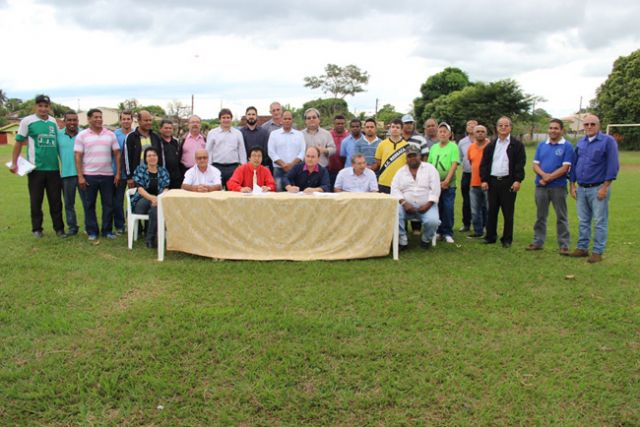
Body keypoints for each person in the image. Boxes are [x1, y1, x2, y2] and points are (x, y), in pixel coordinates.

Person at [10, 94, 65, 238]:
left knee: (56, 201)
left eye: (46, 106)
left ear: (49, 107)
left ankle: (59, 229)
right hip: (35, 169)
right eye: (40, 106)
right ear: (36, 106)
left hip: (53, 169)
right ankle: (37, 229)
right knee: (36, 201)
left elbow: (59, 145)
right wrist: (14, 162)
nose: (43, 108)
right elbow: (18, 142)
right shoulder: (27, 121)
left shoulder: (53, 122)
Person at [569, 114, 619, 263]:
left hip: (598, 188)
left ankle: (597, 252)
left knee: (599, 221)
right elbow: (574, 164)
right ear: (583, 127)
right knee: (583, 220)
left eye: (592, 124)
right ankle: (582, 248)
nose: (589, 127)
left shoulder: (608, 141)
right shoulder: (581, 143)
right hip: (581, 189)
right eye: (586, 124)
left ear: (599, 125)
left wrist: (605, 187)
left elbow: (613, 165)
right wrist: (572, 185)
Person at [527, 119, 574, 255]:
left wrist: (548, 178)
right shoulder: (542, 145)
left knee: (561, 216)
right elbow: (535, 165)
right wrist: (543, 176)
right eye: (551, 128)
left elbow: (565, 167)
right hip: (541, 187)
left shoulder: (567, 146)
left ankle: (564, 244)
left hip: (558, 187)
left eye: (556, 128)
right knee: (540, 216)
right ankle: (538, 242)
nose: (553, 130)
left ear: (561, 130)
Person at [74, 108, 121, 240]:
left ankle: (107, 231)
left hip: (107, 175)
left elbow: (117, 154)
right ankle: (92, 231)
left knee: (108, 204)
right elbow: (77, 156)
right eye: (95, 117)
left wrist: (118, 173)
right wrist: (80, 176)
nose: (99, 119)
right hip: (89, 175)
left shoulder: (110, 134)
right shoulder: (82, 135)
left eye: (100, 117)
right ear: (88, 119)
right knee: (89, 204)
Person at [479, 116, 526, 248]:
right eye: (501, 125)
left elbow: (520, 164)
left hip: (508, 182)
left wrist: (517, 180)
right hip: (493, 182)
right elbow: (485, 164)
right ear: (497, 128)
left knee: (508, 212)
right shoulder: (491, 145)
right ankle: (490, 236)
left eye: (506, 125)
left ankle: (506, 239)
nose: (503, 128)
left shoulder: (517, 145)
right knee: (492, 211)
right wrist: (484, 180)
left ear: (510, 127)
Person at [391, 144, 441, 250]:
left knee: (433, 221)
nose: (412, 158)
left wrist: (428, 205)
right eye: (410, 156)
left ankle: (426, 240)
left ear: (420, 156)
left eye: (415, 155)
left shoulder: (430, 169)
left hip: (427, 204)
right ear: (406, 158)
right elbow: (394, 189)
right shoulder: (400, 172)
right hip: (405, 206)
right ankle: (402, 240)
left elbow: (436, 189)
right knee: (395, 214)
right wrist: (404, 203)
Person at [131, 147, 170, 248]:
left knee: (155, 209)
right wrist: (152, 198)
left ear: (158, 157)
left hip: (158, 200)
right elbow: (140, 189)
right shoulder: (140, 169)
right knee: (155, 207)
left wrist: (158, 199)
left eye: (154, 155)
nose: (152, 157)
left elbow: (166, 189)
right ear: (145, 158)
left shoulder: (163, 171)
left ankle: (150, 240)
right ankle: (151, 238)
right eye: (149, 156)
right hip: (141, 200)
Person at [428, 122, 460, 243]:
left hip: (449, 185)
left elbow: (454, 165)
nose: (442, 134)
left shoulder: (453, 147)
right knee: (437, 207)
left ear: (450, 134)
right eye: (440, 131)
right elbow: (430, 165)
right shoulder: (434, 147)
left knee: (448, 208)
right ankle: (438, 231)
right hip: (435, 185)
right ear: (437, 134)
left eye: (445, 131)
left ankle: (447, 232)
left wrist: (446, 181)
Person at [57, 110, 83, 236]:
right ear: (65, 121)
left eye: (75, 120)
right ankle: (72, 227)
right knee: (69, 203)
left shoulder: (84, 134)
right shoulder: (58, 135)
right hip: (67, 175)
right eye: (69, 120)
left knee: (88, 202)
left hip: (83, 175)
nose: (72, 122)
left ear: (78, 121)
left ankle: (90, 227)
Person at [206, 108, 246, 188]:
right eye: (223, 118)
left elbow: (241, 151)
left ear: (231, 119)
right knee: (216, 192)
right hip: (216, 167)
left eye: (228, 117)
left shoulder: (238, 133)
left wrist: (243, 166)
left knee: (233, 192)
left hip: (233, 168)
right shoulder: (212, 133)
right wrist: (209, 167)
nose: (226, 120)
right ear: (220, 119)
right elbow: (208, 151)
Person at [267, 111, 306, 191]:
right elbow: (271, 152)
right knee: (278, 194)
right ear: (281, 120)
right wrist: (283, 164)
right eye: (285, 119)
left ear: (292, 120)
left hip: (295, 170)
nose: (287, 120)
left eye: (289, 119)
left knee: (295, 194)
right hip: (279, 170)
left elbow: (302, 152)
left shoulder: (299, 134)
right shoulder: (274, 134)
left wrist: (291, 164)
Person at [124, 110, 161, 189]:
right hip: (137, 176)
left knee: (153, 199)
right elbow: (127, 158)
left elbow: (160, 157)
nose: (148, 122)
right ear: (139, 121)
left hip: (153, 175)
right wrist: (129, 177)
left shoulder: (155, 137)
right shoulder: (131, 137)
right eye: (146, 120)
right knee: (138, 200)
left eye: (150, 120)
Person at [113, 110, 134, 235]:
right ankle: (120, 225)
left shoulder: (136, 134)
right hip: (118, 173)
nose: (126, 121)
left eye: (128, 119)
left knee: (133, 200)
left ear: (132, 120)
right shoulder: (114, 135)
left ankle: (134, 224)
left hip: (133, 174)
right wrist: (117, 172)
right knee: (118, 201)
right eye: (124, 119)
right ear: (120, 120)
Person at [373, 118, 408, 194]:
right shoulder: (382, 144)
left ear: (402, 130)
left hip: (400, 183)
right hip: (384, 182)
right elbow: (378, 162)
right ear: (390, 129)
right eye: (393, 127)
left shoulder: (407, 146)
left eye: (397, 127)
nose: (395, 129)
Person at [467, 125, 490, 238]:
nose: (480, 133)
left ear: (486, 133)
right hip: (474, 183)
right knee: (475, 211)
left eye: (482, 131)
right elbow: (472, 163)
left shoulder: (491, 146)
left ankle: (489, 230)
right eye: (478, 131)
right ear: (474, 134)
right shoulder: (471, 147)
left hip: (488, 184)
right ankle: (477, 231)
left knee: (488, 209)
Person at [458, 119, 478, 232]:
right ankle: (466, 224)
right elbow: (460, 158)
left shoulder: (484, 141)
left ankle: (481, 225)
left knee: (480, 201)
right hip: (466, 174)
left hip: (479, 175)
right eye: (468, 125)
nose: (471, 127)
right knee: (466, 200)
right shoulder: (462, 142)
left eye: (473, 125)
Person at [154, 119, 182, 189]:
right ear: (160, 129)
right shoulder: (156, 142)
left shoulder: (176, 142)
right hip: (163, 176)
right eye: (166, 128)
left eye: (170, 128)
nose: (168, 130)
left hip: (176, 177)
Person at [328, 115, 349, 189]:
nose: (340, 125)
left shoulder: (349, 136)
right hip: (329, 171)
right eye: (338, 124)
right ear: (334, 124)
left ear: (345, 124)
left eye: (342, 123)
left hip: (345, 171)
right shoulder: (328, 135)